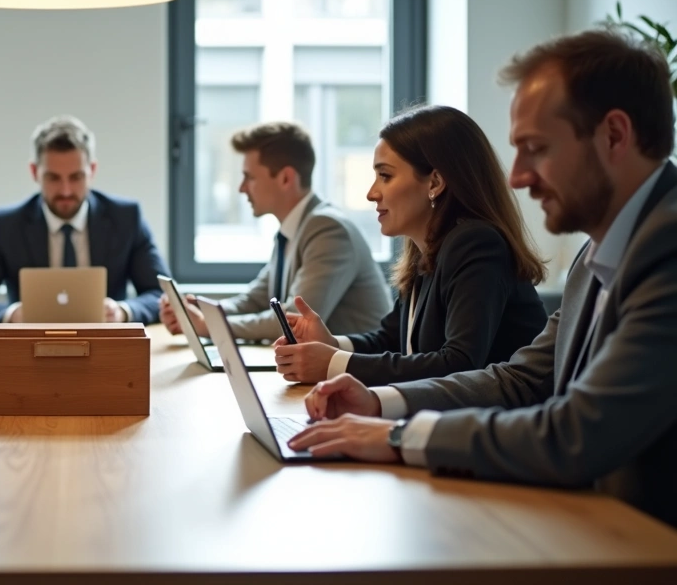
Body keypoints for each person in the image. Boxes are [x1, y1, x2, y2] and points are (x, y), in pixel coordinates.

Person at [286, 28, 677, 528]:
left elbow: (577, 434)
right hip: (589, 527)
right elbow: (520, 379)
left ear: (615, 136)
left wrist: (399, 436)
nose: (517, 176)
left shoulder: (667, 250)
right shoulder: (596, 254)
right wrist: (380, 402)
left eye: (535, 147)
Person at [273, 105, 548, 385]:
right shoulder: (427, 248)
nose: (371, 193)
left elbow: (460, 362)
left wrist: (333, 364)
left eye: (385, 176)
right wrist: (332, 344)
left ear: (436, 182)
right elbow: (392, 340)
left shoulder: (476, 243)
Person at [161, 122, 391, 340]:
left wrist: (210, 326)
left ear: (285, 178)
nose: (242, 188)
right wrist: (199, 309)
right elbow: (256, 300)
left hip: (358, 376)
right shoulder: (293, 230)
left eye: (249, 177)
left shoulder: (328, 230)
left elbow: (293, 320)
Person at [0, 115, 170, 326]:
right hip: (31, 350)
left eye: (76, 177)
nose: (65, 191)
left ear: (92, 171)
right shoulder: (6, 226)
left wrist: (122, 311)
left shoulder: (126, 218)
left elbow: (163, 296)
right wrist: (12, 315)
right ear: (34, 172)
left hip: (107, 349)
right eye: (53, 178)